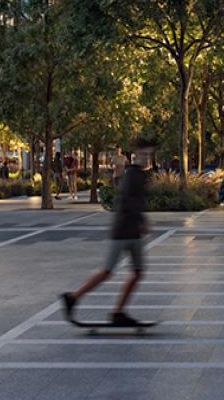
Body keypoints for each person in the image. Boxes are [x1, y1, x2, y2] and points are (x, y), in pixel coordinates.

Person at [62, 138, 155, 327]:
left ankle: (118, 312)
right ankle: (73, 297)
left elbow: (135, 202)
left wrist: (141, 221)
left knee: (138, 272)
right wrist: (141, 220)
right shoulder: (131, 175)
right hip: (122, 230)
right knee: (107, 271)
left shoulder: (139, 175)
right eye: (144, 154)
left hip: (133, 232)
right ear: (136, 155)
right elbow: (125, 202)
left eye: (149, 155)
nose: (147, 158)